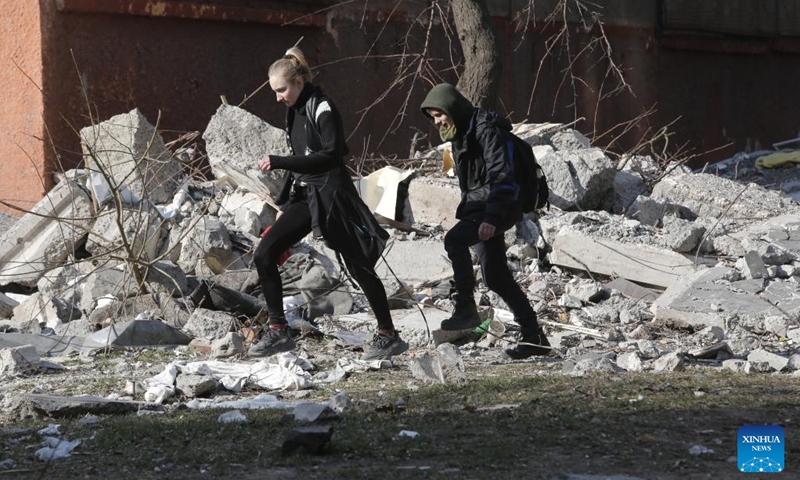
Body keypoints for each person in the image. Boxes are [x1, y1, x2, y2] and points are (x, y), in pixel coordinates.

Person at [249, 47, 408, 361]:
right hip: (306, 197)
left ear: (298, 81)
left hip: (333, 198)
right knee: (264, 252)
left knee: (358, 267)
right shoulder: (293, 110)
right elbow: (302, 163)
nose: (278, 97)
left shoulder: (321, 108)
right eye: (275, 92)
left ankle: (388, 334)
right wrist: (286, 199)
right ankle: (279, 329)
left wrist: (280, 161)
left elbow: (331, 156)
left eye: (282, 89)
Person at [420, 83, 550, 359]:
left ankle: (466, 307)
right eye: (432, 117)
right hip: (481, 205)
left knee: (454, 240)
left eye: (439, 114)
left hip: (498, 205)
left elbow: (502, 176)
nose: (437, 121)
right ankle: (534, 336)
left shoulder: (486, 130)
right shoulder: (460, 134)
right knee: (496, 277)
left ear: (452, 107)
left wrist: (491, 217)